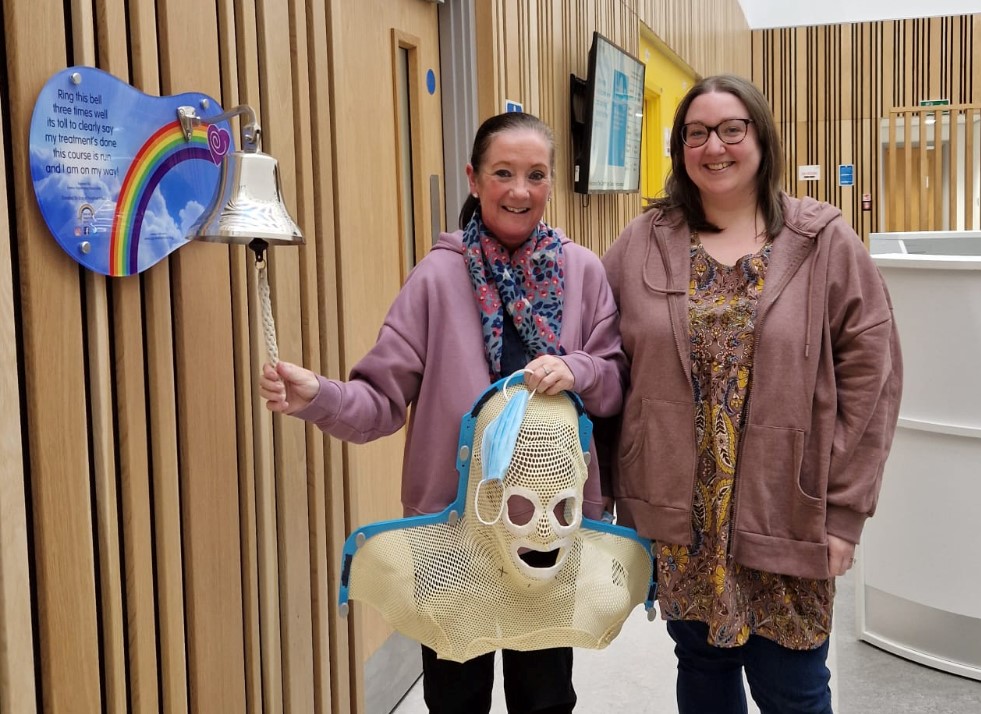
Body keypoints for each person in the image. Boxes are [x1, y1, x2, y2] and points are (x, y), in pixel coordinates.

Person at [258, 111, 625, 714]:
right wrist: (317, 396)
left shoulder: (583, 272)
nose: (519, 190)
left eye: (535, 175)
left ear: (551, 183)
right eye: (502, 173)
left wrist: (579, 369)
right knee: (455, 699)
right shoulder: (436, 276)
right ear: (474, 180)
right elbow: (380, 400)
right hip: (453, 534)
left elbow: (613, 385)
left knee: (547, 696)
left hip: (547, 529)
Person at [600, 75, 902, 714]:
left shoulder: (822, 241)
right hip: (682, 516)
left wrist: (844, 512)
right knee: (703, 671)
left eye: (732, 129)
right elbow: (600, 355)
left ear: (760, 137)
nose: (715, 146)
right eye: (697, 132)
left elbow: (872, 377)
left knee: (793, 688)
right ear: (681, 146)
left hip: (788, 506)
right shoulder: (643, 241)